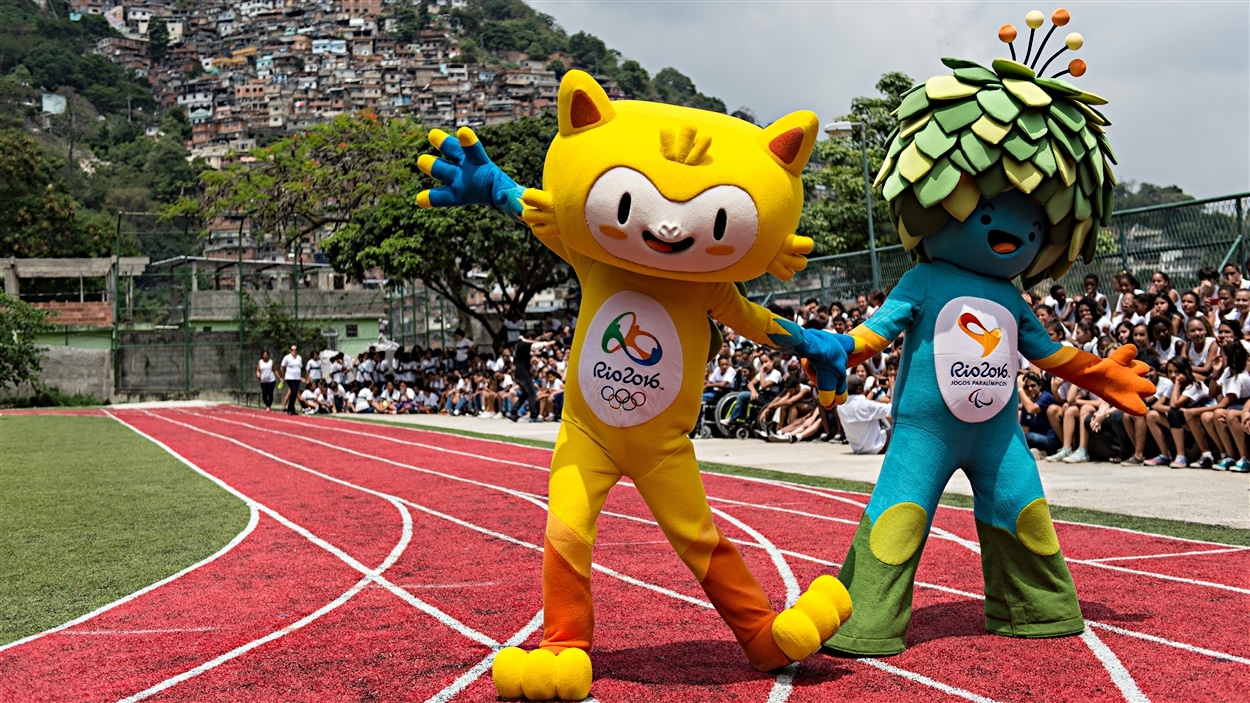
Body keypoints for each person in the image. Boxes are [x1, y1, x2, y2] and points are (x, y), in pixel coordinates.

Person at [834, 374, 892, 454]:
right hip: (877, 447)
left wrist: (872, 389)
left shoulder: (840, 407)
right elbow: (892, 410)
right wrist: (892, 386)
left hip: (858, 448)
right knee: (894, 427)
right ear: (859, 388)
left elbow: (860, 401)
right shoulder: (865, 405)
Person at [280, 345, 303, 415]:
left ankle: (292, 408)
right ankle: (290, 408)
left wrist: (301, 377)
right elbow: (282, 367)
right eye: (292, 350)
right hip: (289, 378)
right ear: (290, 351)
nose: (294, 351)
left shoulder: (299, 358)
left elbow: (300, 367)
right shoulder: (287, 357)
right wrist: (283, 377)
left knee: (295, 393)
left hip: (297, 378)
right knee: (293, 391)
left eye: (295, 350)